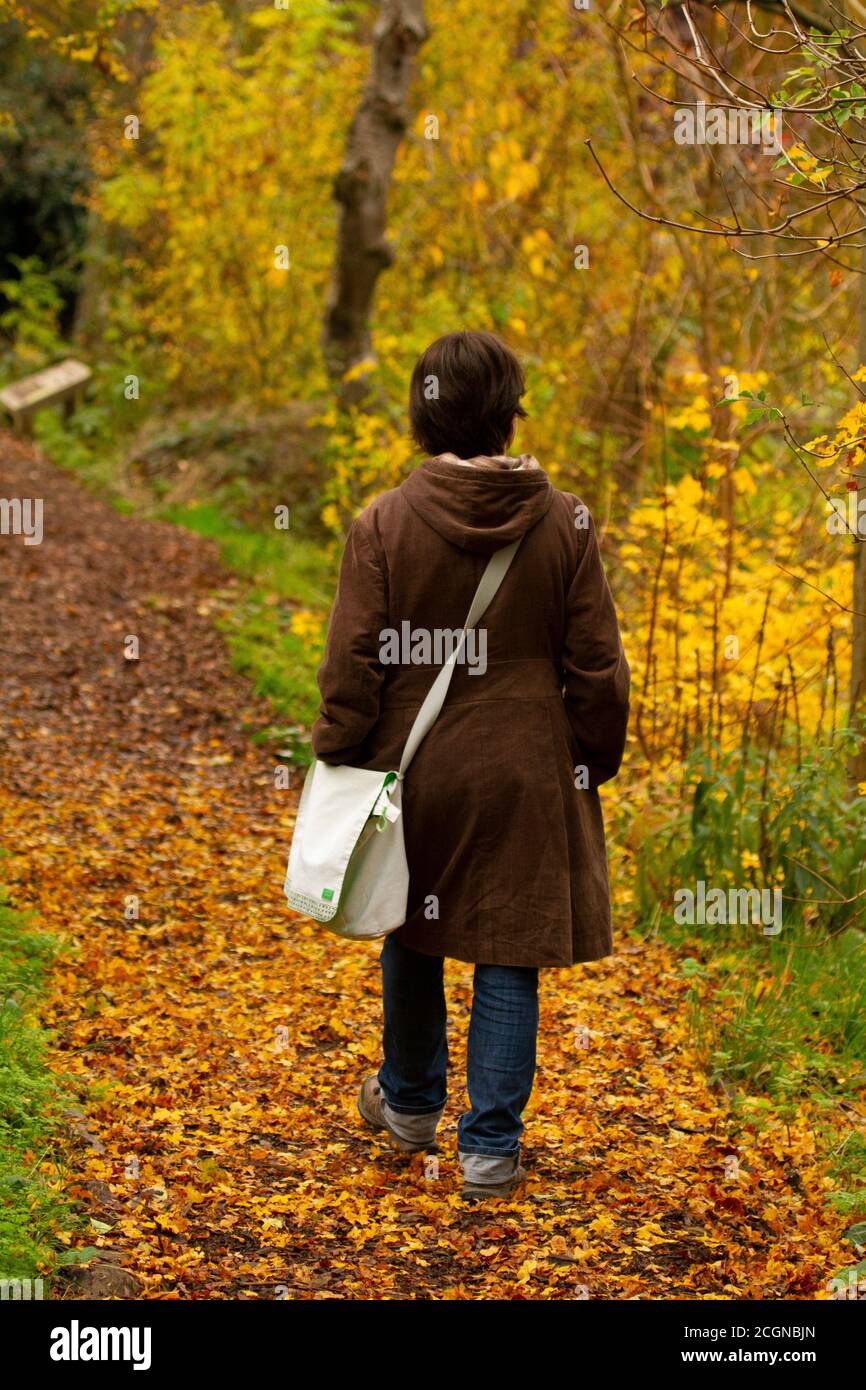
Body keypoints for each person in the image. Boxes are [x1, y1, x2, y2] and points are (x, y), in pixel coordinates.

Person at [311, 330, 630, 1200]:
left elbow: (354, 663)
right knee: (508, 951)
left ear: (424, 410)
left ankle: (410, 1106)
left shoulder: (383, 522)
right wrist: (593, 755)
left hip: (416, 766)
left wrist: (339, 750)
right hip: (528, 767)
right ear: (507, 412)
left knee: (411, 926)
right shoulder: (564, 521)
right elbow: (596, 666)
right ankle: (489, 1151)